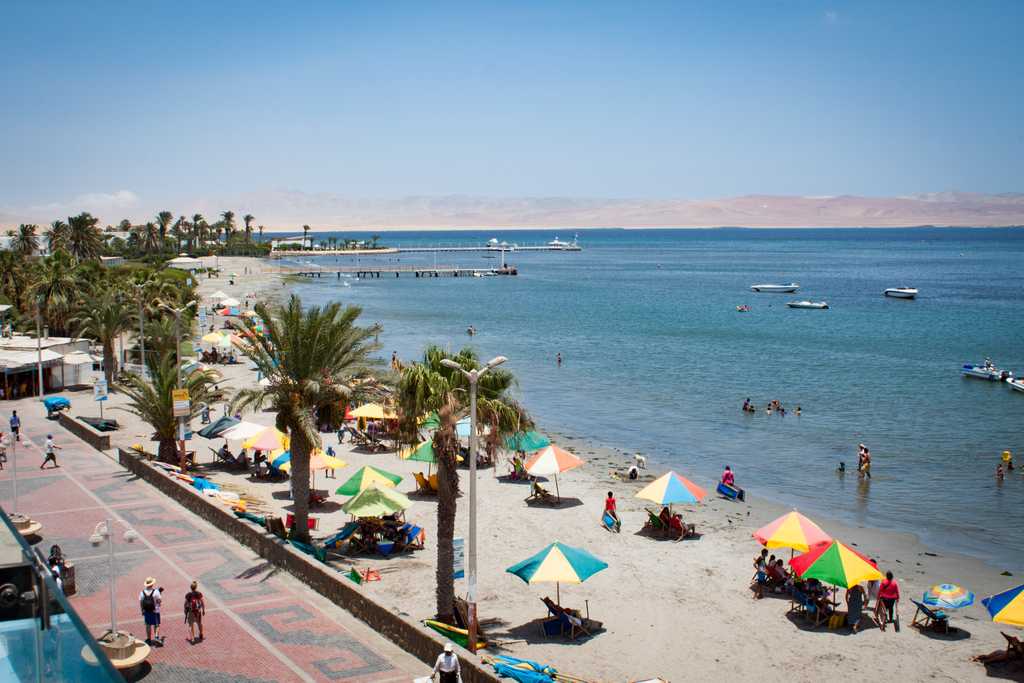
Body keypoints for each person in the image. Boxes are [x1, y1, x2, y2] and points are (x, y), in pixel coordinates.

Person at [139, 577, 164, 645]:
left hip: (147, 611)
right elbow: (159, 601)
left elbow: (141, 602)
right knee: (156, 625)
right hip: (155, 611)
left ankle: (148, 639)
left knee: (148, 625)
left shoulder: (142, 592)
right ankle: (156, 637)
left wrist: (142, 610)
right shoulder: (156, 592)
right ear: (152, 584)